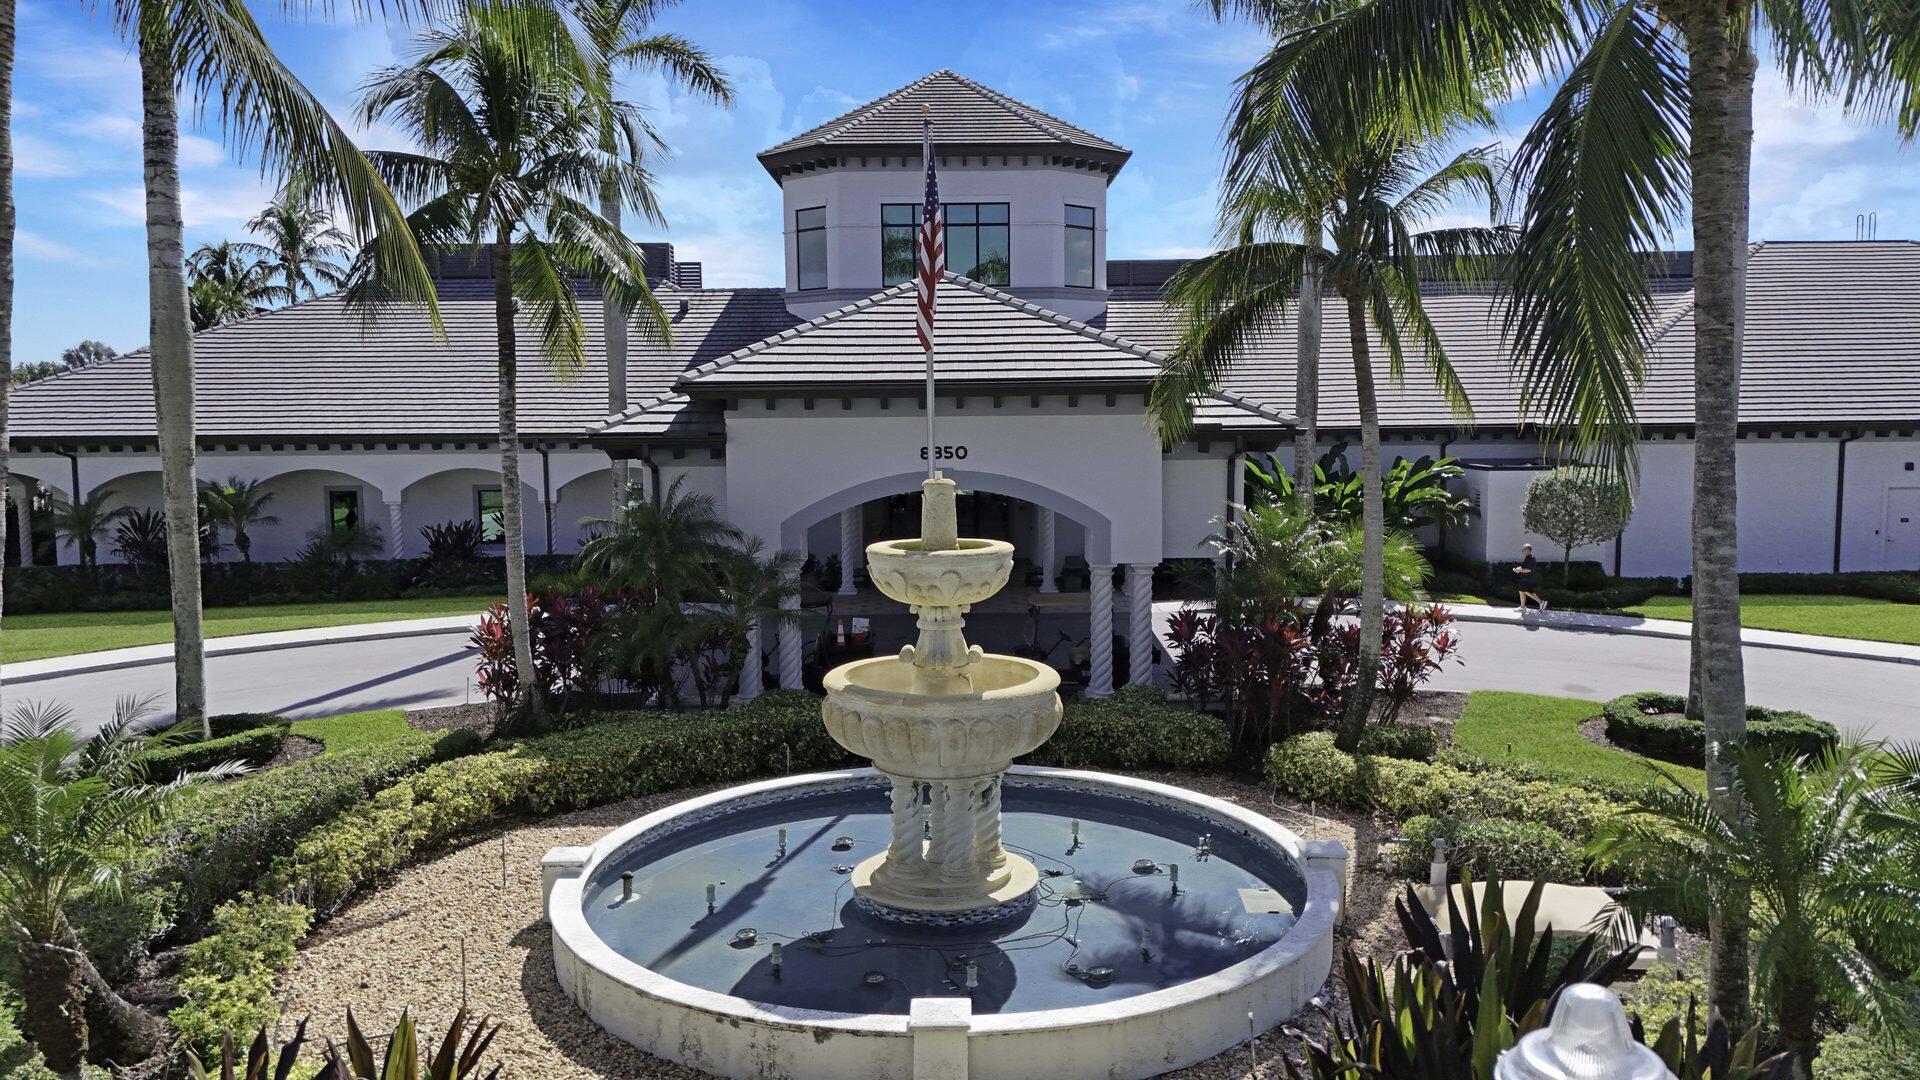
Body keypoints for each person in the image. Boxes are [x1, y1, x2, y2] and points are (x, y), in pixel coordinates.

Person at [1513, 544, 1548, 612]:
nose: (1522, 551)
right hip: (1528, 579)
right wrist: (1518, 569)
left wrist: (1519, 571)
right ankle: (1541, 603)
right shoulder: (1528, 557)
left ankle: (1523, 607)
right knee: (1526, 591)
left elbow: (1529, 570)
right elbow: (1523, 566)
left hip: (1528, 579)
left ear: (1528, 550)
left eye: (1523, 550)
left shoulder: (1530, 558)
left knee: (1523, 591)